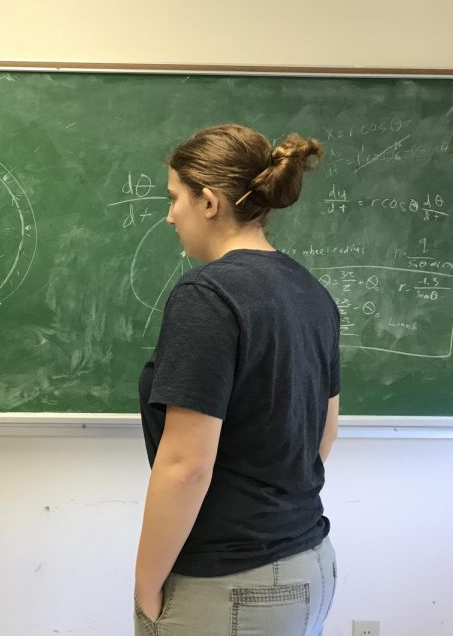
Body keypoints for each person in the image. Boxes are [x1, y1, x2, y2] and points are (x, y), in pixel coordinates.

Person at [133, 124, 340, 635]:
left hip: (231, 584)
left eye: (175, 197)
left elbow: (185, 466)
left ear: (209, 202)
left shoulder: (208, 295)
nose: (169, 215)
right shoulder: (310, 290)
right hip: (311, 561)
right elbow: (324, 432)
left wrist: (146, 585)